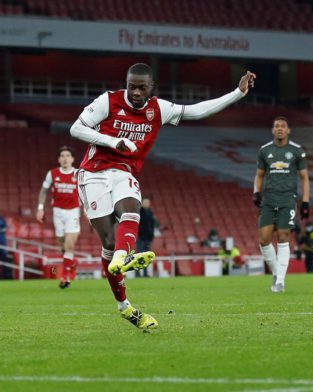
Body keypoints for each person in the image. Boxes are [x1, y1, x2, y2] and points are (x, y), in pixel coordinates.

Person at [70, 63, 255, 330]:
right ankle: (125, 305)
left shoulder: (159, 109)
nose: (135, 92)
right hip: (93, 173)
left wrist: (237, 93)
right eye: (131, 85)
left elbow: (197, 111)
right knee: (109, 242)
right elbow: (76, 128)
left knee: (131, 207)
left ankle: (124, 256)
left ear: (151, 87)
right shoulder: (108, 101)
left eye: (141, 87)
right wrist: (112, 141)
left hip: (124, 171)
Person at [254, 116, 310, 292]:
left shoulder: (297, 151)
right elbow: (259, 175)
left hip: (287, 198)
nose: (279, 129)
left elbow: (304, 178)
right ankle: (277, 273)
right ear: (272, 130)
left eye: (283, 126)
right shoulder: (264, 151)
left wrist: (306, 202)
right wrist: (256, 192)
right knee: (264, 240)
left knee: (284, 235)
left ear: (288, 130)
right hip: (269, 199)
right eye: (276, 126)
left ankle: (280, 282)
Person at [36, 146, 80, 289]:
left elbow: (86, 191)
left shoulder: (79, 174)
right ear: (59, 159)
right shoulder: (52, 174)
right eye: (62, 156)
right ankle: (72, 263)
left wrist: (87, 208)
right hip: (58, 212)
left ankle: (64, 277)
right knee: (62, 245)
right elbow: (43, 191)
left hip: (73, 211)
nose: (65, 158)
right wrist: (40, 208)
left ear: (72, 159)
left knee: (69, 245)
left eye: (68, 155)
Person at [136, 196, 157, 277]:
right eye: (145, 202)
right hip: (141, 238)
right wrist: (140, 234)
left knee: (146, 257)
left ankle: (145, 273)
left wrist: (151, 235)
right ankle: (137, 274)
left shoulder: (150, 212)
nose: (146, 204)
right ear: (142, 203)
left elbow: (152, 225)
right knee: (139, 256)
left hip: (148, 238)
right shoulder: (139, 212)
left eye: (148, 202)